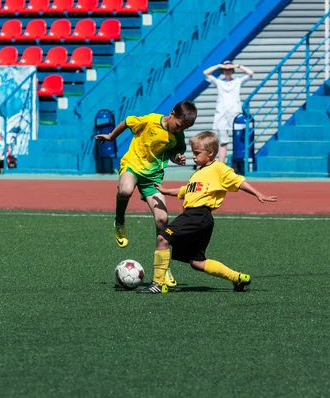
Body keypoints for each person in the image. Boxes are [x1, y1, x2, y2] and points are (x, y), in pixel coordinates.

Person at [137, 131, 277, 294]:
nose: (194, 157)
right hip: (201, 219)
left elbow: (239, 181)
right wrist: (166, 191)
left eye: (197, 153)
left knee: (162, 238)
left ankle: (158, 284)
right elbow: (186, 190)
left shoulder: (218, 168)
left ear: (211, 153)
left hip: (197, 215)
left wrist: (258, 194)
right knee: (197, 262)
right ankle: (238, 278)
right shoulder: (199, 173)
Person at [95, 100, 198, 288]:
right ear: (172, 113)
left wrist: (178, 159)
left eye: (183, 128)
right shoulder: (151, 120)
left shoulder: (178, 136)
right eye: (179, 125)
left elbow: (174, 153)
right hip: (132, 165)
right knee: (125, 190)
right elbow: (127, 121)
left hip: (153, 178)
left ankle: (163, 267)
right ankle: (119, 220)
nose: (179, 129)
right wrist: (111, 136)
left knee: (162, 220)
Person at [203, 61, 254, 164]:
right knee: (223, 142)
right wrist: (218, 65)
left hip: (235, 114)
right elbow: (205, 73)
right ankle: (222, 164)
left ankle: (239, 163)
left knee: (239, 140)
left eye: (229, 69)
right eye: (225, 69)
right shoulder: (219, 82)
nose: (227, 71)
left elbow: (250, 73)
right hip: (222, 115)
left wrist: (238, 66)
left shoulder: (237, 81)